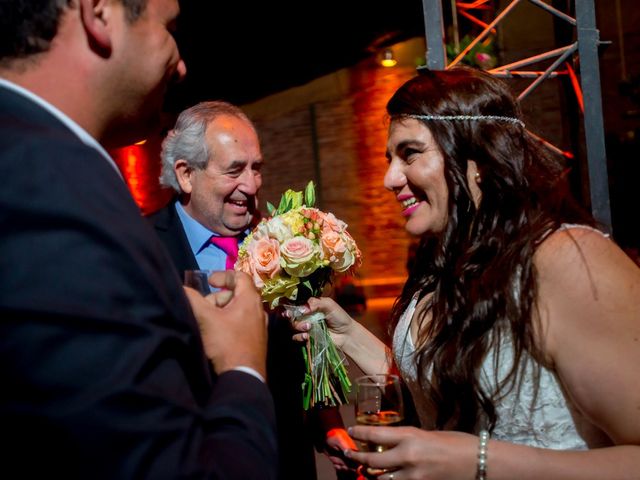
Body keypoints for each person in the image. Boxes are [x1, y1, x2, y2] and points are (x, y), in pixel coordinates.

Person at [294, 67, 640, 479]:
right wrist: (348, 334)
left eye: (410, 153)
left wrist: (476, 462)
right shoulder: (440, 266)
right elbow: (440, 386)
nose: (389, 179)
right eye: (390, 159)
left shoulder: (567, 260)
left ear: (477, 157)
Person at [0, 1, 277, 478]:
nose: (181, 62)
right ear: (100, 13)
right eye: (168, 27)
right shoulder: (52, 199)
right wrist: (242, 366)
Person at [148, 100, 357, 479]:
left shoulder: (285, 240)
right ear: (186, 175)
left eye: (256, 168)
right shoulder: (144, 250)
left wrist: (327, 422)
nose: (251, 184)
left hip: (285, 459)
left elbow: (305, 348)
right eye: (234, 171)